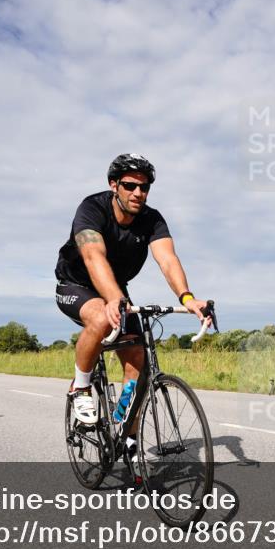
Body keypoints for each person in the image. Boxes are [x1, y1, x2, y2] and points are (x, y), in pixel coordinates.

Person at [54, 154, 209, 438]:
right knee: (101, 319)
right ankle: (81, 386)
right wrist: (113, 297)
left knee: (139, 358)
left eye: (145, 187)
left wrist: (187, 298)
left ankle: (126, 433)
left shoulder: (151, 219)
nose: (138, 193)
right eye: (129, 185)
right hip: (76, 283)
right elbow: (93, 256)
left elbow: (168, 260)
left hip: (115, 288)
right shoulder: (92, 208)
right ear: (114, 185)